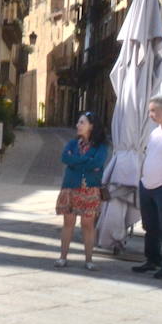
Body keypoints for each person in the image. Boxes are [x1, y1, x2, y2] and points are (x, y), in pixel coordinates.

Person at [133, 94, 162, 280]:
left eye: (153, 111)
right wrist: (143, 179)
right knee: (150, 226)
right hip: (147, 186)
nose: (150, 115)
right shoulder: (155, 132)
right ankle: (152, 260)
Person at [56, 111, 109, 270]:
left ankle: (89, 260)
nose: (78, 126)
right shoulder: (72, 144)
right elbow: (65, 158)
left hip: (90, 190)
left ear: (91, 126)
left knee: (88, 224)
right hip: (70, 188)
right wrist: (87, 161)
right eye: (78, 122)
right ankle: (62, 257)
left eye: (82, 123)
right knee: (68, 223)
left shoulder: (101, 146)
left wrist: (76, 162)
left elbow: (98, 162)